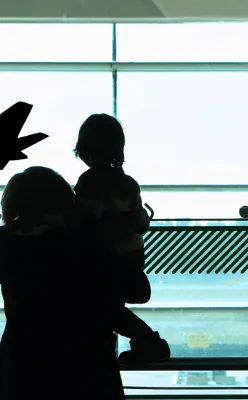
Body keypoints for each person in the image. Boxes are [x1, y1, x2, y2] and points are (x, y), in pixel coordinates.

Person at [0, 166, 153, 399]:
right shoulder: (86, 245)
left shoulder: (7, 245)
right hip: (90, 371)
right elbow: (135, 293)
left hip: (24, 369)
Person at [71, 114, 169, 364]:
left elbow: (87, 224)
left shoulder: (90, 182)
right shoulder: (129, 183)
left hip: (106, 260)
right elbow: (141, 221)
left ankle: (148, 342)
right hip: (132, 257)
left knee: (104, 310)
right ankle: (148, 343)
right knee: (109, 308)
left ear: (86, 150)